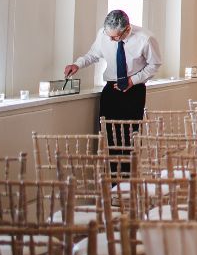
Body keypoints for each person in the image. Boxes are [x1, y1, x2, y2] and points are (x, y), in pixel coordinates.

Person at [63, 10, 161, 170]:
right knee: (109, 135)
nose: (110, 39)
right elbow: (93, 54)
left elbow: (154, 65)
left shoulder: (146, 38)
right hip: (110, 91)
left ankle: (128, 179)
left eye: (115, 37)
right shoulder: (104, 34)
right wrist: (77, 64)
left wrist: (132, 80)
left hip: (134, 91)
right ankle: (113, 180)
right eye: (109, 36)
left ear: (127, 29)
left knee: (130, 136)